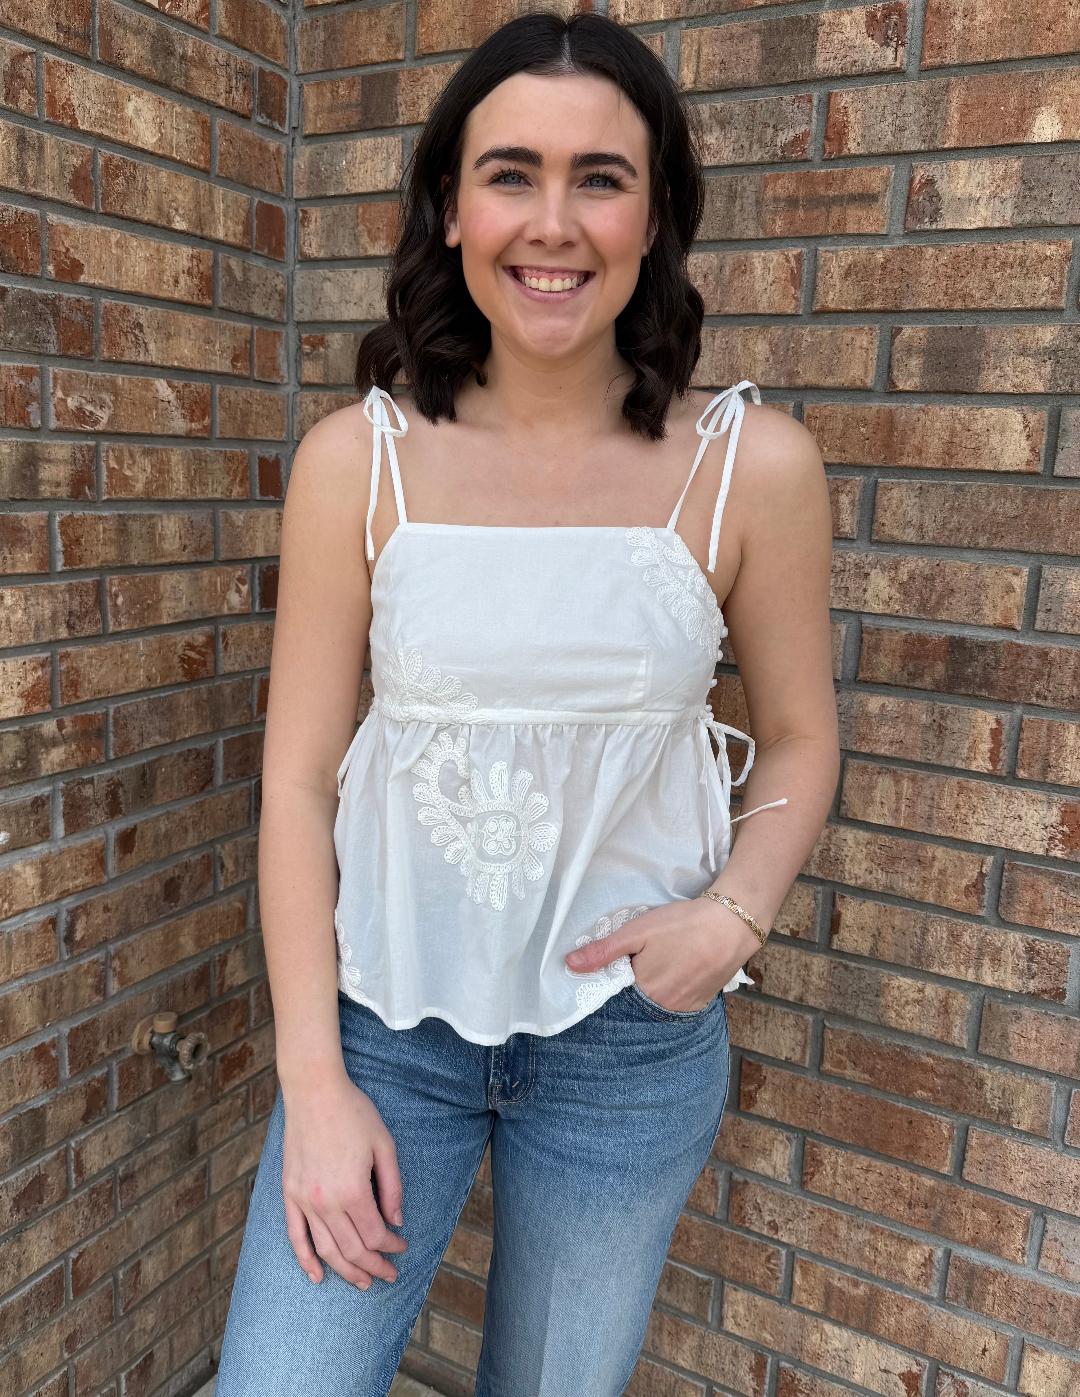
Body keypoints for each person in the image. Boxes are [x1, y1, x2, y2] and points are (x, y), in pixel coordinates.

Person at [215, 11, 839, 1396]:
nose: (553, 223)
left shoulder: (752, 467)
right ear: (451, 207)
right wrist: (312, 1081)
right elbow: (298, 781)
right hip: (385, 1027)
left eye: (600, 179)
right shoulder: (358, 460)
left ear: (655, 215)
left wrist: (736, 914)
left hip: (629, 1046)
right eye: (512, 174)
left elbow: (802, 731)